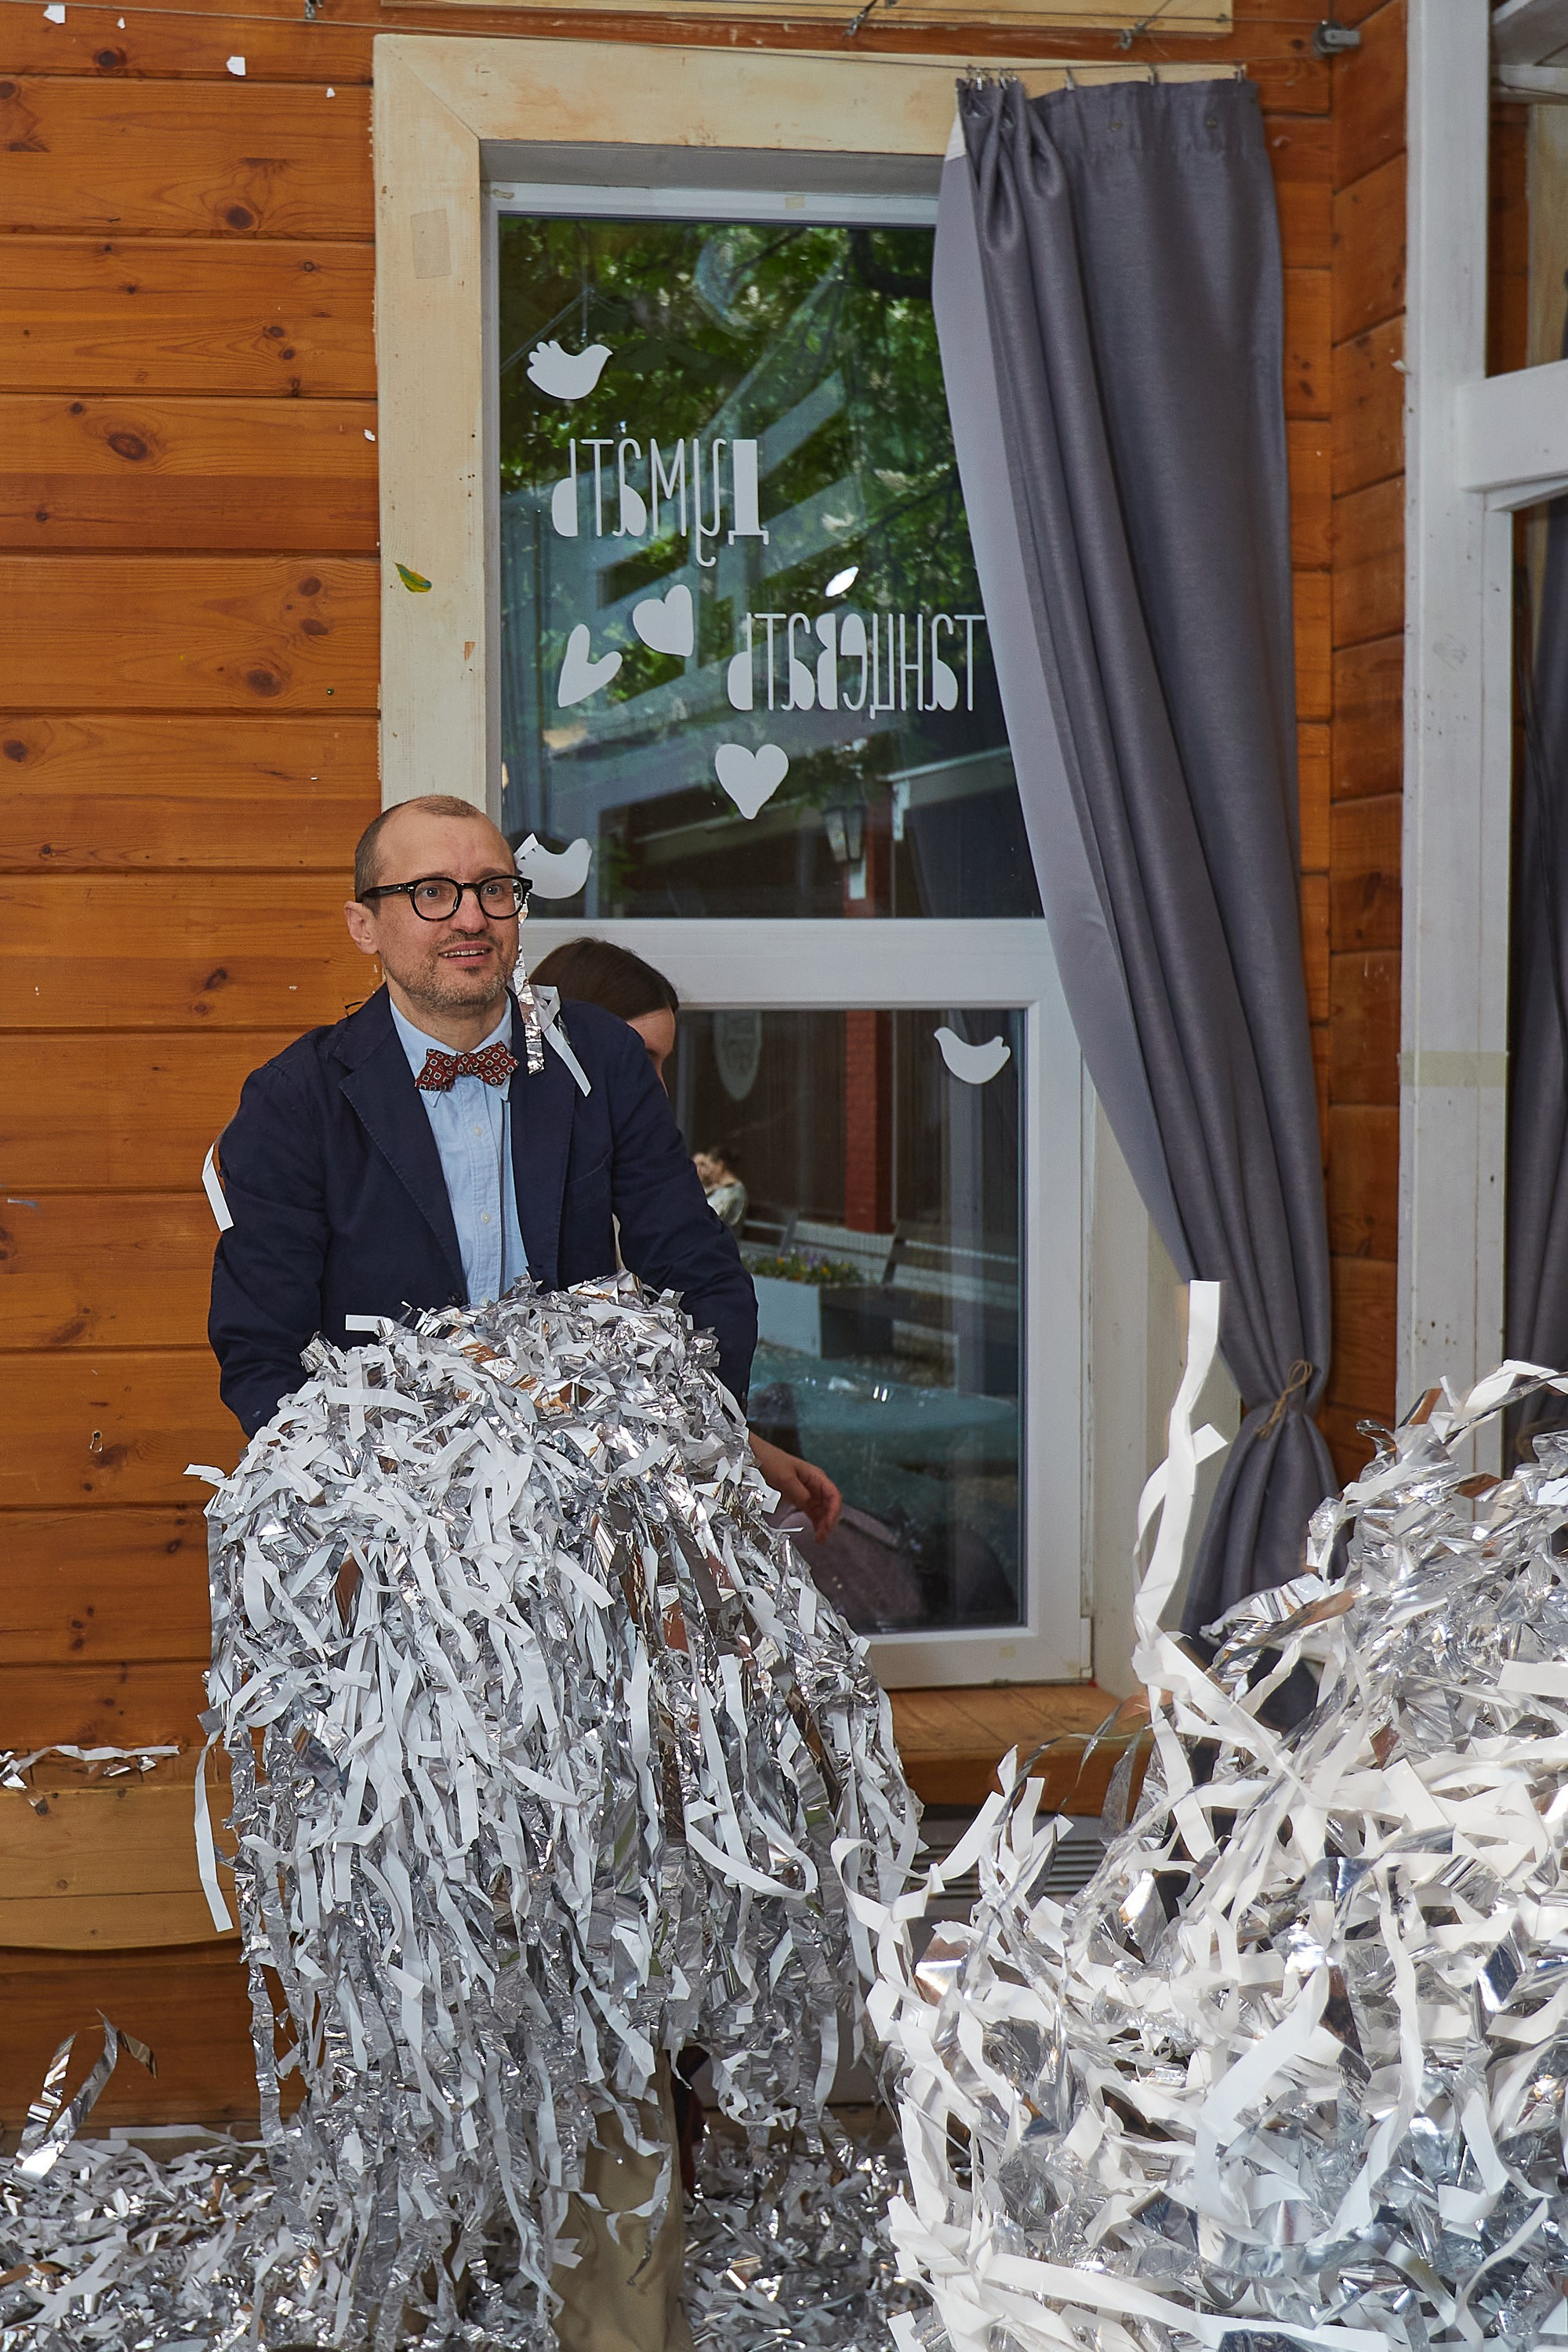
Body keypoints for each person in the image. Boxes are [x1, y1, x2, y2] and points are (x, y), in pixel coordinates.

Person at [209, 794, 756, 2352]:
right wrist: (414, 1490)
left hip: (596, 1601)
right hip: (401, 1623)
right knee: (419, 1984)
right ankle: (415, 2301)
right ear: (364, 921)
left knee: (609, 1963)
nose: (469, 915)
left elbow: (700, 1288)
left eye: (494, 888)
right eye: (429, 890)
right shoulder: (294, 1100)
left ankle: (618, 2329)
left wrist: (643, 1444)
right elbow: (262, 1359)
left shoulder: (591, 1070)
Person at [530, 937, 841, 1544]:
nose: (657, 1090)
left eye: (661, 1065)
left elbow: (640, 1378)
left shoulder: (647, 1185)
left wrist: (747, 1448)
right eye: (637, 1058)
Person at [693, 1145, 746, 1233]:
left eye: (708, 1167)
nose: (708, 1172)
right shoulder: (721, 1189)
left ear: (720, 1166)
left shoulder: (731, 1193)